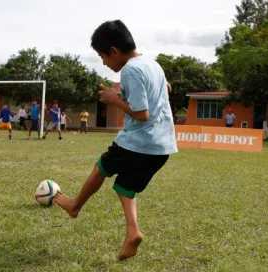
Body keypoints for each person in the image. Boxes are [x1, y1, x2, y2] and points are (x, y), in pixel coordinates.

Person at [55, 20, 178, 261]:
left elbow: (142, 114)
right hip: (161, 147)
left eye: (102, 57)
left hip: (137, 141)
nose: (103, 62)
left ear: (114, 51)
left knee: (101, 167)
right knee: (125, 187)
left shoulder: (130, 70)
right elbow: (168, 89)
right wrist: (131, 94)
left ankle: (75, 206)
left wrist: (113, 98)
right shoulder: (153, 65)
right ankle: (133, 231)